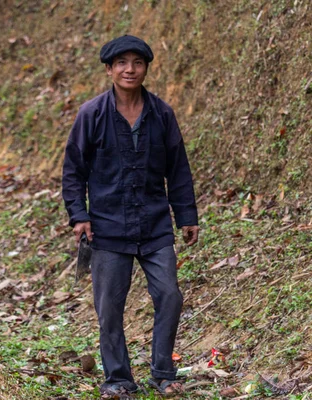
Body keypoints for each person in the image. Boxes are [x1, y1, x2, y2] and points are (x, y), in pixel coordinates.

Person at [62, 35, 199, 397]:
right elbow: (73, 170)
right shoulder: (91, 115)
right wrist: (79, 215)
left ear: (145, 68)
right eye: (121, 63)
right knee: (109, 309)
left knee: (170, 295)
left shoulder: (161, 113)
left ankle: (163, 373)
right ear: (109, 69)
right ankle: (119, 379)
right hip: (107, 228)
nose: (129, 70)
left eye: (137, 63)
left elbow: (178, 168)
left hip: (154, 225)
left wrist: (187, 216)